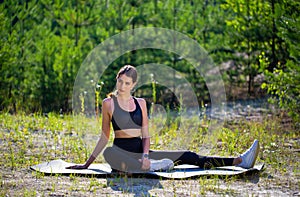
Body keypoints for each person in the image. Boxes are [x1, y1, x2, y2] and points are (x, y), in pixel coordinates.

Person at [67, 65, 260, 172]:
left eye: (127, 83)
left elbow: (146, 135)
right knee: (109, 153)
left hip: (141, 155)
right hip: (120, 156)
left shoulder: (141, 103)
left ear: (133, 84)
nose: (122, 86)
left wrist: (144, 156)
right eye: (120, 81)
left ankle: (238, 161)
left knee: (187, 155)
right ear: (116, 79)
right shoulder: (108, 104)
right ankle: (149, 167)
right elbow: (104, 137)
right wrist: (87, 164)